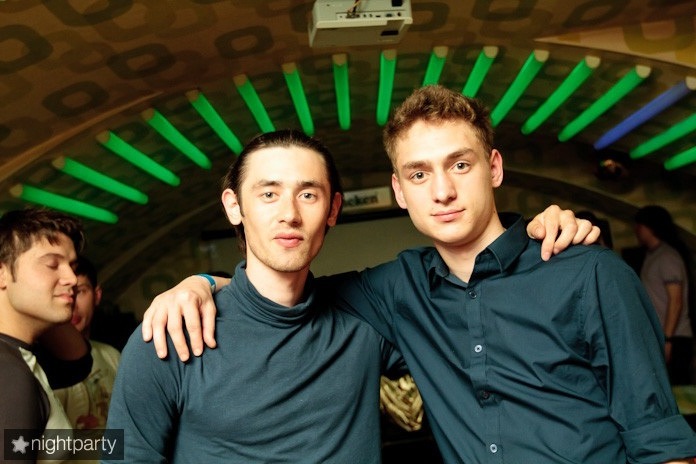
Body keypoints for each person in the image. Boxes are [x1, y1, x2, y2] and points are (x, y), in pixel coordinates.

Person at [148, 86, 696, 463]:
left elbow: (662, 441)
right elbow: (282, 284)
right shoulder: (396, 290)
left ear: (494, 168)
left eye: (460, 164)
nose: (442, 191)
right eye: (418, 173)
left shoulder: (590, 272)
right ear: (399, 190)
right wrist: (201, 283)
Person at [105, 130, 409, 463]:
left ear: (333, 209)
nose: (289, 214)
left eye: (308, 194)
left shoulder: (365, 316)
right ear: (234, 206)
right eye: (269, 194)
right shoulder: (171, 332)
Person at [0, 207, 92, 462]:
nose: (72, 278)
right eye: (52, 265)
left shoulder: (20, 355)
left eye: (72, 266)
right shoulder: (9, 373)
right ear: (2, 273)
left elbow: (78, 363)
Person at [54, 256, 121, 431]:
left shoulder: (113, 357)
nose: (72, 303)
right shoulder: (36, 362)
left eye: (81, 291)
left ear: (97, 295)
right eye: (64, 293)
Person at [635, 205, 694, 385]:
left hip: (675, 338)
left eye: (639, 225)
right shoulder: (652, 255)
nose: (636, 230)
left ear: (649, 227)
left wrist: (667, 340)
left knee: (678, 392)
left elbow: (676, 301)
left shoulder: (667, 256)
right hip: (664, 337)